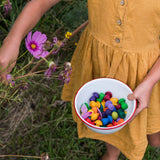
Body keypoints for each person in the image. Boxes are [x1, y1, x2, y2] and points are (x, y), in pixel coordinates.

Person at [0, 0, 160, 160]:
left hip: (148, 72)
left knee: (153, 128)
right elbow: (40, 3)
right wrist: (13, 38)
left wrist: (150, 81)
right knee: (109, 116)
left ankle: (153, 134)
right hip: (99, 63)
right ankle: (112, 152)